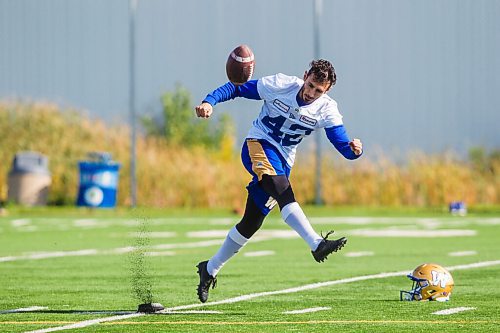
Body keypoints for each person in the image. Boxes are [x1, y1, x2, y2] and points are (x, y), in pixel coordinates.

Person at [194, 59, 363, 303]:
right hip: (259, 144)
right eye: (311, 84)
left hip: (283, 159)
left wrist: (354, 150)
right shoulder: (281, 84)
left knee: (251, 222)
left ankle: (209, 269)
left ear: (327, 91)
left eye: (318, 90)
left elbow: (342, 145)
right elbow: (237, 87)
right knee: (283, 190)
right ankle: (316, 244)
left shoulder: (326, 108)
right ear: (305, 76)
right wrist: (209, 102)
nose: (311, 93)